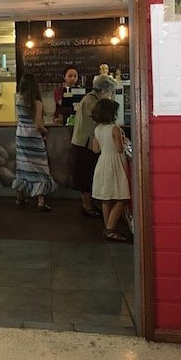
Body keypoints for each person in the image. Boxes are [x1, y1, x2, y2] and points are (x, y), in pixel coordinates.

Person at [70, 74, 118, 218]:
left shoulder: (91, 99)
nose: (110, 95)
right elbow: (101, 117)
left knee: (88, 174)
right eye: (110, 91)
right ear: (104, 89)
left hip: (86, 142)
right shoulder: (92, 101)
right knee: (85, 175)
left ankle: (89, 204)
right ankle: (87, 206)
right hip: (85, 143)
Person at [11, 72, 57, 211]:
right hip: (33, 137)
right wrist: (45, 131)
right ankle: (41, 200)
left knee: (22, 165)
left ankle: (20, 197)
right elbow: (38, 124)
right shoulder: (37, 103)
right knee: (40, 166)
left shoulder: (18, 98)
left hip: (20, 134)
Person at [90, 97, 131, 242]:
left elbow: (95, 149)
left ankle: (108, 226)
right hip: (115, 164)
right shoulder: (115, 128)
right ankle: (110, 229)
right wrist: (124, 141)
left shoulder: (98, 129)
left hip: (103, 163)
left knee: (106, 198)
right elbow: (119, 149)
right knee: (122, 197)